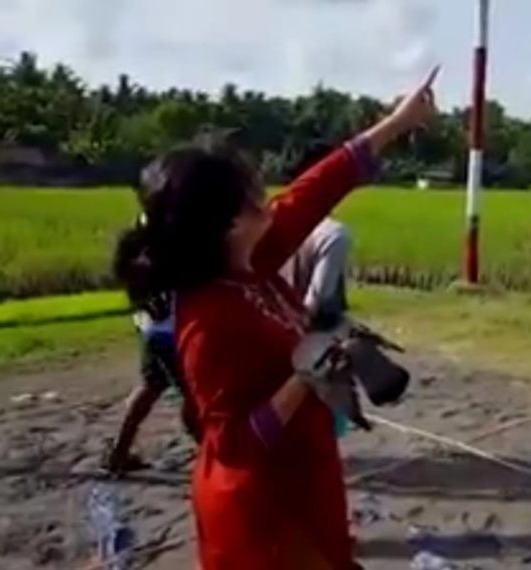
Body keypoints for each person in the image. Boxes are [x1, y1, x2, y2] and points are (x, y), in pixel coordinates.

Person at [111, 67, 437, 569]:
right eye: (251, 190)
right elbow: (233, 446)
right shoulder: (209, 321)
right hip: (266, 522)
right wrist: (305, 377)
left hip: (304, 486)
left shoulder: (250, 263)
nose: (267, 194)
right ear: (229, 223)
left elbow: (315, 190)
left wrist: (397, 123)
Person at [105, 216, 353, 473]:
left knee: (152, 388)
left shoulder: (149, 255)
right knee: (195, 403)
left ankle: (120, 452)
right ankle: (222, 461)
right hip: (171, 335)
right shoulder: (168, 255)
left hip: (156, 332)